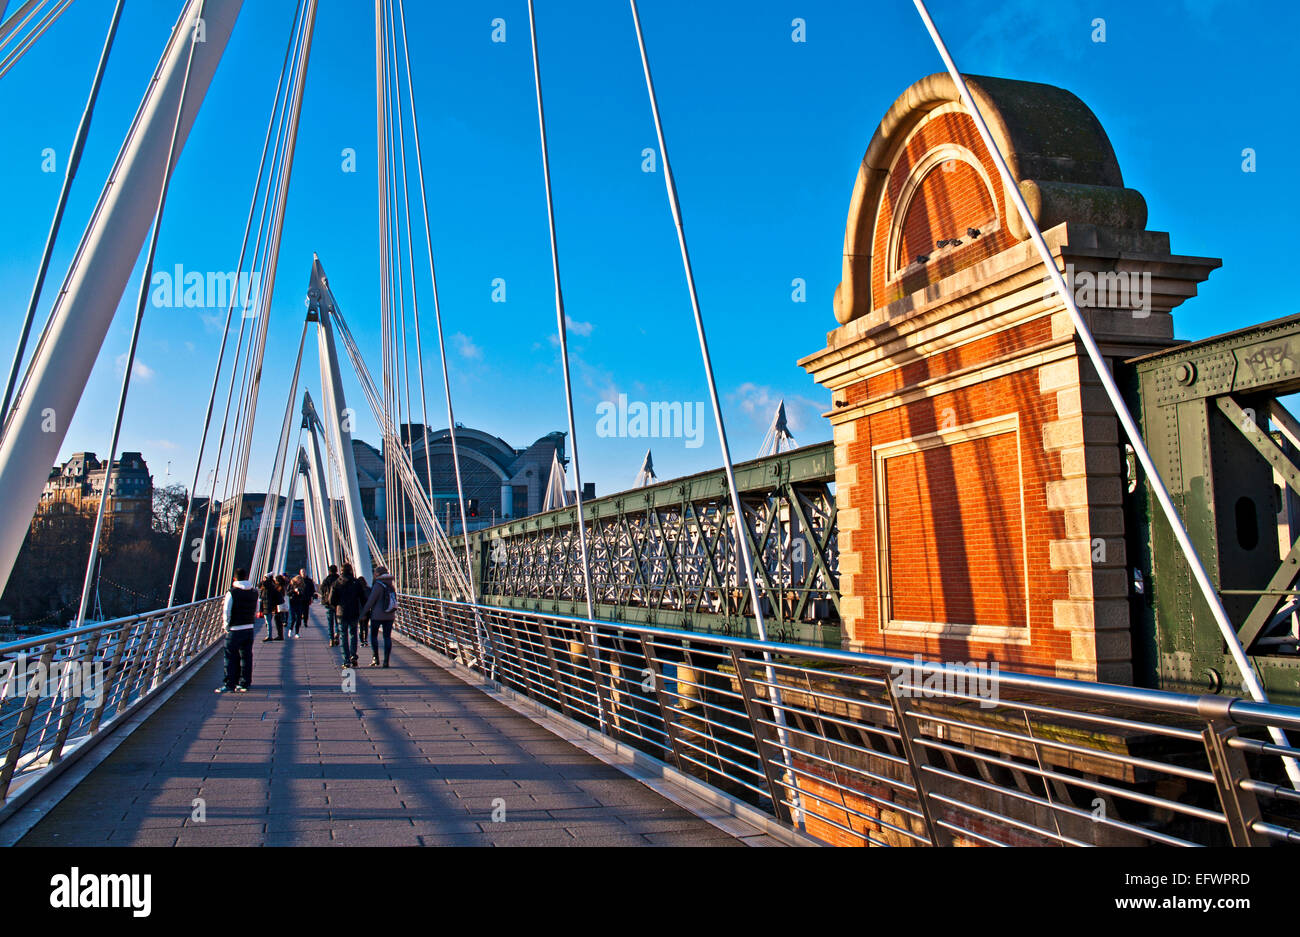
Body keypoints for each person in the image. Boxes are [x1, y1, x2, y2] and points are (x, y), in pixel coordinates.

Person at [217, 568, 257, 693]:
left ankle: (230, 684)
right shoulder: (254, 592)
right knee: (246, 656)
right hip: (249, 628)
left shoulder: (232, 593)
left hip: (235, 629)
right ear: (246, 577)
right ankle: (244, 683)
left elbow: (226, 611)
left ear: (234, 579)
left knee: (230, 657)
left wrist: (226, 626)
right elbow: (256, 609)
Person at [360, 566, 397, 668]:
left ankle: (375, 658)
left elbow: (371, 601)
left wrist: (363, 613)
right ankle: (386, 661)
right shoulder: (391, 585)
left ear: (377, 574)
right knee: (387, 637)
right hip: (389, 615)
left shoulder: (378, 585)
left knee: (374, 636)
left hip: (377, 616)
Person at [333, 562, 365, 670]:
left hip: (341, 613)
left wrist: (337, 605)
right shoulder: (356, 582)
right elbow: (363, 598)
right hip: (353, 612)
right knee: (353, 634)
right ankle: (353, 656)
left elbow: (331, 599)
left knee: (343, 636)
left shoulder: (337, 583)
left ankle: (346, 660)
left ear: (341, 571)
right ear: (351, 570)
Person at [289, 569, 314, 637]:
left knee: (304, 612)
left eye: (304, 572)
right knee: (293, 618)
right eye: (302, 572)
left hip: (303, 600)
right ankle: (291, 630)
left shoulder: (308, 581)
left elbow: (312, 589)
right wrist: (294, 591)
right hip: (293, 602)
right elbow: (288, 593)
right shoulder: (292, 584)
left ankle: (298, 631)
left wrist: (310, 596)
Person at [259, 573, 283, 642]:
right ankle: (271, 635)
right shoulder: (273, 587)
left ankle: (269, 636)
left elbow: (259, 586)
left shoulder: (264, 588)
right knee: (269, 621)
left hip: (266, 607)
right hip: (272, 607)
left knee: (268, 622)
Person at [320, 564, 340, 647]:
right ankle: (337, 633)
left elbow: (322, 589)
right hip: (338, 603)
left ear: (329, 571)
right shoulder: (339, 579)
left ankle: (331, 639)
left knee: (330, 622)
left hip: (329, 603)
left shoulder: (326, 580)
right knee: (337, 621)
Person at [275, 573, 291, 639]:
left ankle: (280, 635)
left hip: (279, 606)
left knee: (278, 619)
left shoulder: (279, 588)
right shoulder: (283, 587)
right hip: (282, 605)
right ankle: (280, 634)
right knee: (279, 618)